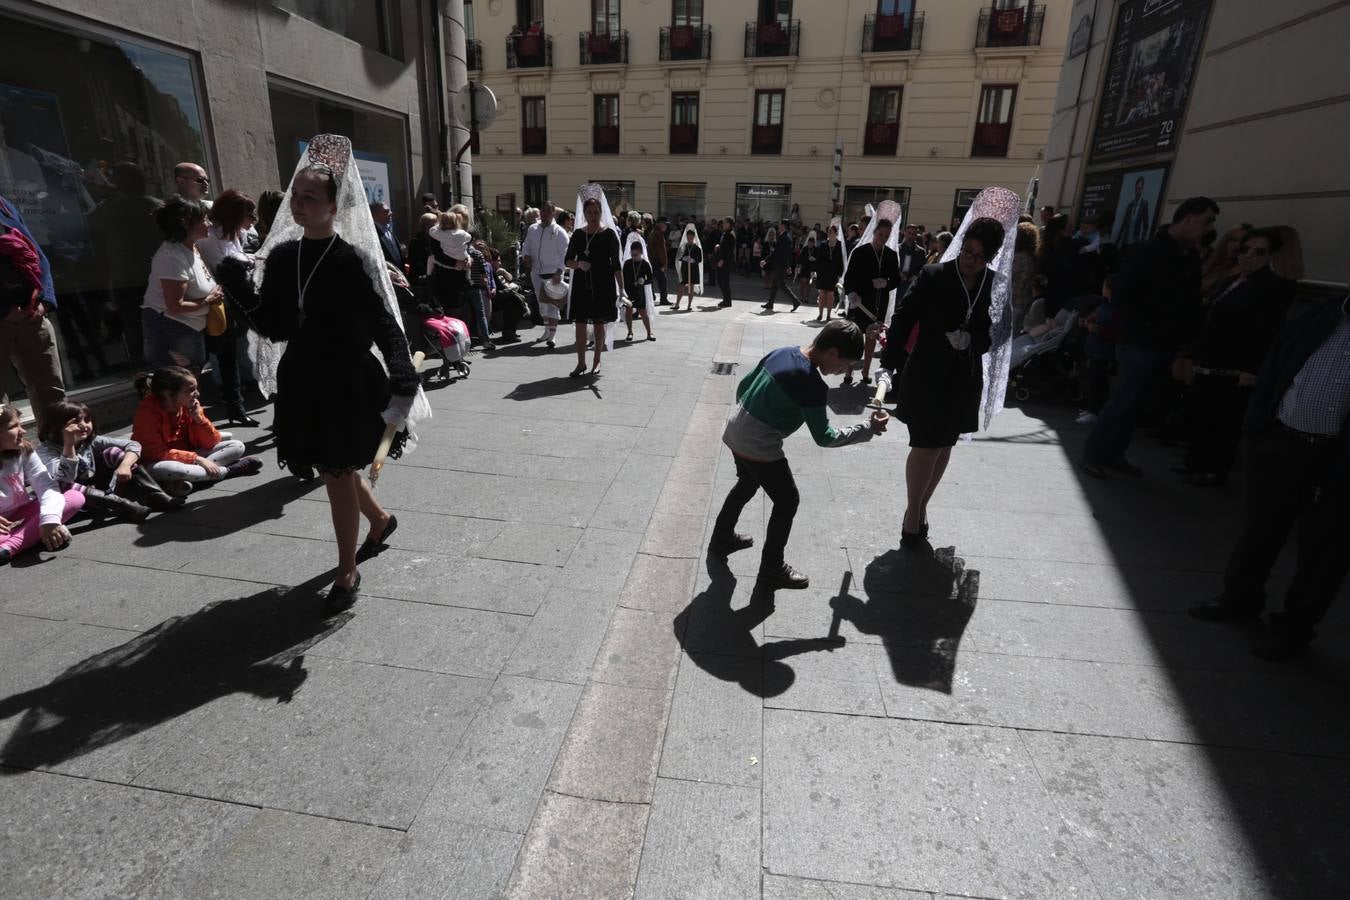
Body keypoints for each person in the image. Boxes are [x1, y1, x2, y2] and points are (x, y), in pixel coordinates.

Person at [215, 135, 426, 612]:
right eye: (296, 197)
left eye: (311, 198)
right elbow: (274, 325)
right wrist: (235, 284)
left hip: (347, 380)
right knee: (339, 467)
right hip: (305, 379)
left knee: (335, 471)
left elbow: (382, 321)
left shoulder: (351, 259)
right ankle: (380, 519)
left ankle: (347, 569)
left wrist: (402, 372)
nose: (300, 205)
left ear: (334, 206)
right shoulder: (285, 257)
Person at [1188, 275, 1350, 661]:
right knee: (1261, 528)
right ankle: (1240, 598)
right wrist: (1258, 429)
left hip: (1338, 459)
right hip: (1284, 442)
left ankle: (1294, 627)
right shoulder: (1321, 316)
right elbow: (1275, 365)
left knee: (1324, 550)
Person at [709, 319, 888, 597]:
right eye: (845, 364)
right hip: (758, 442)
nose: (843, 371)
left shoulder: (783, 352)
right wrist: (868, 428)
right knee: (787, 500)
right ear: (833, 353)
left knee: (746, 483)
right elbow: (824, 436)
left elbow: (744, 386)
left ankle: (721, 539)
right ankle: (771, 569)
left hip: (736, 426)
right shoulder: (811, 383)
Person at [880, 216, 1007, 548]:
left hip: (962, 378)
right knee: (925, 444)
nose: (970, 259)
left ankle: (921, 506)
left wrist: (972, 341)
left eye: (979, 256)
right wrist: (890, 359)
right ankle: (911, 516)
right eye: (967, 250)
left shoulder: (994, 284)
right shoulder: (934, 274)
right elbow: (905, 316)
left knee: (944, 446)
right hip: (926, 373)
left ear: (990, 256)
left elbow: (997, 331)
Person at [1080, 197, 1218, 479]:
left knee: (1137, 404)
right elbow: (1122, 292)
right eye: (1206, 221)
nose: (1208, 228)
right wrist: (1146, 319)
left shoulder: (1189, 256)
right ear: (1188, 218)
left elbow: (1190, 300)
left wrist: (1186, 338)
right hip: (1139, 339)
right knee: (1123, 400)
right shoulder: (1148, 251)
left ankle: (1114, 454)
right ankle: (1093, 453)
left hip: (1166, 341)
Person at [1178, 227, 1298, 486]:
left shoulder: (1272, 286)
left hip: (1236, 366)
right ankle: (1196, 463)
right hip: (1210, 358)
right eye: (1245, 249)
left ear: (1270, 256)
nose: (1249, 256)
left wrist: (1251, 369)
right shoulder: (1233, 279)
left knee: (1224, 420)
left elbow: (1267, 331)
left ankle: (1213, 470)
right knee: (1202, 413)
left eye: (1258, 252)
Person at [37, 398, 182, 520]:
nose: (83, 425)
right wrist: (69, 444)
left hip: (98, 488)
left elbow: (133, 444)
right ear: (55, 427)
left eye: (87, 420)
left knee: (113, 452)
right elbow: (66, 478)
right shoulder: (45, 452)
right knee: (62, 483)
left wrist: (125, 465)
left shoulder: (92, 440)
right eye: (76, 422)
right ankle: (122, 506)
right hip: (74, 499)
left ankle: (155, 495)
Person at [131, 366, 260, 494]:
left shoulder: (190, 405)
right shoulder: (146, 413)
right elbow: (154, 452)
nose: (197, 393)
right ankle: (229, 471)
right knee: (175, 470)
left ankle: (187, 480)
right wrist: (197, 459)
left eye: (196, 388)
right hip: (157, 463)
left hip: (188, 455)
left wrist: (199, 420)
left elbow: (211, 442)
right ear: (168, 394)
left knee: (237, 445)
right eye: (191, 390)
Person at [85, 162, 161, 364]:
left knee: (135, 329)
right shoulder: (157, 206)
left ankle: (146, 373)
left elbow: (84, 225)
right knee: (158, 329)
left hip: (128, 279)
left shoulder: (111, 208)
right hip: (153, 277)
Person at [0, 194, 64, 433]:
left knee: (50, 389)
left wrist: (44, 301)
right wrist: (4, 311)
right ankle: (8, 462)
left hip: (33, 314)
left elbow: (34, 251)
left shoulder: (3, 204)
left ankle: (60, 450)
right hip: (5, 317)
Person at [198, 189, 261, 427]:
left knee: (229, 356)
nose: (252, 219)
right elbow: (225, 264)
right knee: (216, 356)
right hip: (213, 304)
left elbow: (237, 257)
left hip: (230, 301)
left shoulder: (233, 234)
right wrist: (250, 260)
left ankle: (237, 407)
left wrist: (246, 260)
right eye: (248, 213)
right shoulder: (210, 237)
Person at [141, 195, 218, 373]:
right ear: (185, 223)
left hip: (188, 328)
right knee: (180, 383)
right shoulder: (172, 257)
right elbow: (176, 306)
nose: (210, 223)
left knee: (188, 382)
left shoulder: (192, 247)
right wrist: (208, 300)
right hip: (173, 329)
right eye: (204, 219)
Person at [0, 403, 83, 565]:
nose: (22, 431)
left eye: (20, 425)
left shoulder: (23, 450)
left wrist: (49, 520)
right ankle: (34, 535)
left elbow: (46, 486)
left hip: (22, 513)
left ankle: (10, 547)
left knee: (74, 497)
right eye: (13, 426)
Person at [564, 185, 624, 377]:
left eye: (596, 211)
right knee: (580, 324)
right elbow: (567, 260)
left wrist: (621, 289)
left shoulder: (609, 235)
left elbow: (616, 265)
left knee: (599, 324)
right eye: (589, 212)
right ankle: (581, 362)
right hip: (582, 284)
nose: (592, 215)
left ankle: (597, 360)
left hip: (603, 284)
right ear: (584, 213)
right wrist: (579, 264)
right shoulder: (579, 235)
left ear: (601, 212)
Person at [842, 216, 901, 386]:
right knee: (855, 337)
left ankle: (866, 371)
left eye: (886, 236)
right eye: (880, 234)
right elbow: (850, 278)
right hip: (859, 301)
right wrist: (851, 292)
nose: (883, 238)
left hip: (878, 303)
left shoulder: (890, 255)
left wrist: (887, 283)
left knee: (871, 337)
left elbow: (896, 280)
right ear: (874, 233)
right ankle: (849, 370)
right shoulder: (860, 252)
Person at [521, 200, 570, 347]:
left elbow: (565, 254)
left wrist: (559, 271)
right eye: (543, 210)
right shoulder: (532, 229)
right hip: (536, 272)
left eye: (549, 211)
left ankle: (552, 336)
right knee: (542, 303)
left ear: (553, 213)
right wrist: (526, 256)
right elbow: (526, 245)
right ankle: (547, 330)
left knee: (553, 305)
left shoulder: (559, 232)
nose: (545, 213)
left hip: (553, 273)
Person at [621, 233, 656, 341]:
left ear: (641, 253)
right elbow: (622, 277)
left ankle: (650, 332)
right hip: (629, 291)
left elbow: (650, 278)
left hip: (639, 292)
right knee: (628, 311)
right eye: (632, 255)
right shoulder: (627, 263)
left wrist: (644, 281)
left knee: (643, 312)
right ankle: (630, 332)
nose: (634, 257)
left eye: (636, 255)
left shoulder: (645, 264)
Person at [1010, 221, 1040, 335]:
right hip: (1026, 302)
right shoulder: (1032, 257)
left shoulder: (1019, 258)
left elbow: (1013, 282)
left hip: (1014, 303)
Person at [760, 227, 798, 312]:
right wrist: (788, 266)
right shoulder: (788, 237)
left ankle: (795, 301)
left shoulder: (783, 237)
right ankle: (770, 303)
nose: (779, 227)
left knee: (781, 284)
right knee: (775, 284)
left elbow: (776, 253)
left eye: (781, 225)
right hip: (781, 265)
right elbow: (787, 254)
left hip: (780, 265)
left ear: (783, 226)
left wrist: (765, 260)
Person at [813, 223, 846, 323]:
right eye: (828, 232)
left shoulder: (840, 245)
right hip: (822, 272)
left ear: (836, 233)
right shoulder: (823, 245)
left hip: (833, 273)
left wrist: (840, 273)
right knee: (822, 294)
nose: (829, 233)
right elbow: (818, 259)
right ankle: (820, 314)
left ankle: (828, 315)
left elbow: (842, 260)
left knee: (830, 294)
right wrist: (815, 270)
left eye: (831, 232)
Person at [1115, 177, 1152, 248]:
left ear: (1142, 189)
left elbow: (1146, 225)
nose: (1138, 191)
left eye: (1140, 188)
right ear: (1135, 188)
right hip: (1125, 241)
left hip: (1135, 242)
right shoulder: (1130, 205)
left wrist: (1142, 240)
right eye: (1137, 188)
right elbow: (1123, 225)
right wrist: (1117, 243)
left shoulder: (1144, 204)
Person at [674, 224, 703, 311]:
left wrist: (693, 260)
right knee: (681, 286)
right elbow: (678, 256)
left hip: (693, 270)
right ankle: (677, 304)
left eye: (691, 237)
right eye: (688, 237)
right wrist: (684, 258)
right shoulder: (683, 246)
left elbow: (700, 259)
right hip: (685, 269)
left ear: (694, 237)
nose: (689, 238)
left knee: (691, 287)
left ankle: (689, 305)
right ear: (686, 237)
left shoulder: (697, 248)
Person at [371, 201, 404, 269]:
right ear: (375, 214)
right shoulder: (372, 234)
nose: (391, 213)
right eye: (386, 211)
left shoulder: (388, 228)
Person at [714, 217, 736, 308]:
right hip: (722, 260)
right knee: (720, 279)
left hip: (725, 261)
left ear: (729, 224)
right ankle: (726, 299)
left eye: (724, 223)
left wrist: (722, 260)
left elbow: (729, 250)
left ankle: (727, 301)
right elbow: (724, 246)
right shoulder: (725, 233)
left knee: (724, 281)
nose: (723, 224)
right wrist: (718, 246)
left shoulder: (730, 234)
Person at [897, 224, 927, 289]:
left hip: (912, 285)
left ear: (916, 235)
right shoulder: (897, 249)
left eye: (913, 234)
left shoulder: (921, 251)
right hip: (898, 283)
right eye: (909, 233)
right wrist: (898, 273)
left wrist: (916, 275)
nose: (911, 235)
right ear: (904, 233)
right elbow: (891, 264)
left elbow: (923, 267)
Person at [648, 217, 670, 305]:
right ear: (659, 224)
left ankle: (652, 296)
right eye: (665, 224)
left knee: (651, 280)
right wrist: (664, 264)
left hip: (653, 260)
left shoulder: (653, 232)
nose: (666, 226)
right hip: (657, 261)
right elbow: (661, 250)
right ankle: (663, 299)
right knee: (662, 281)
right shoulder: (658, 233)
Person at [794, 231, 818, 312]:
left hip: (812, 269)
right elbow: (800, 258)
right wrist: (798, 266)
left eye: (811, 243)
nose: (810, 244)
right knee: (803, 282)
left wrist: (814, 259)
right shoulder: (805, 248)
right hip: (804, 267)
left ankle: (806, 297)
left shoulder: (816, 250)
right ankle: (801, 296)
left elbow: (818, 259)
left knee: (809, 283)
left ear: (814, 243)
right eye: (809, 243)